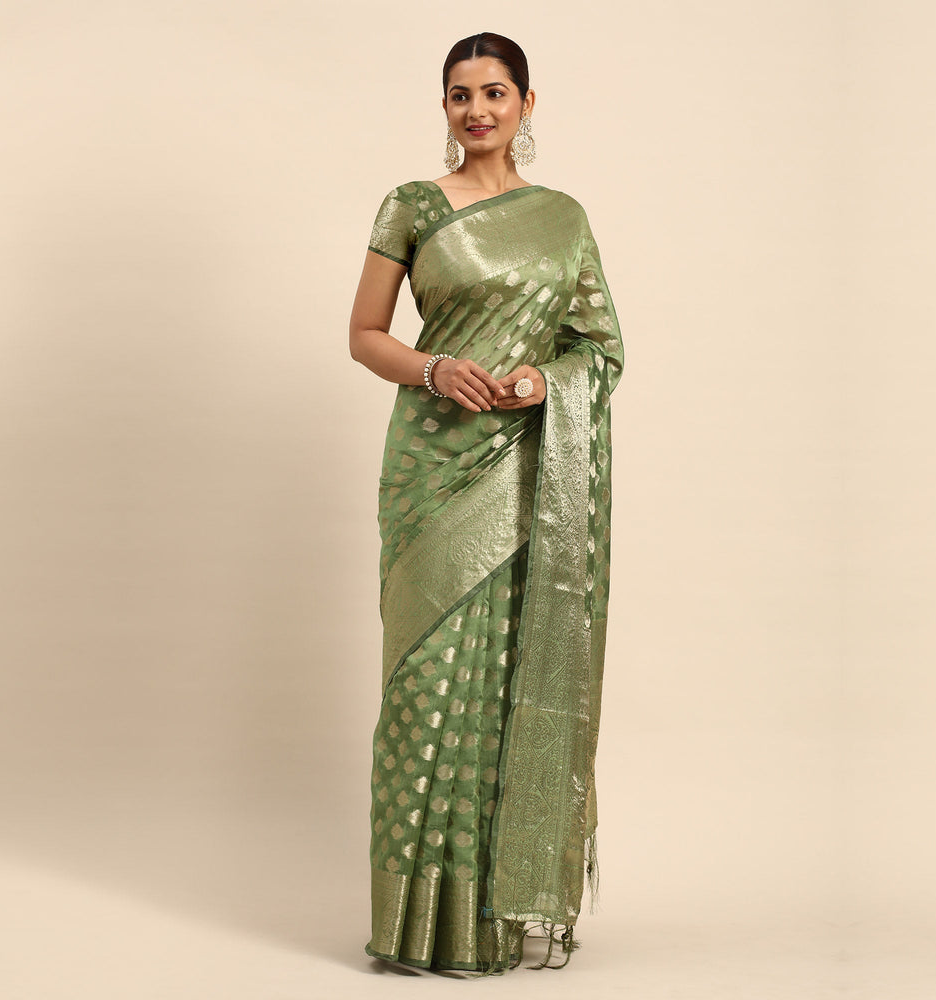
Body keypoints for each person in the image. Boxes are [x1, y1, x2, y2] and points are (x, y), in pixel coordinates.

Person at [349, 31, 624, 974]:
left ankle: (492, 918)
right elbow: (365, 333)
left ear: (526, 104)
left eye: (495, 92)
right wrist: (435, 368)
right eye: (461, 94)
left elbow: (601, 348)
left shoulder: (562, 219)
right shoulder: (412, 206)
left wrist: (544, 384)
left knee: (509, 674)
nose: (477, 110)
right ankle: (411, 923)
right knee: (423, 686)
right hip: (432, 468)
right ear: (445, 107)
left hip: (527, 468)